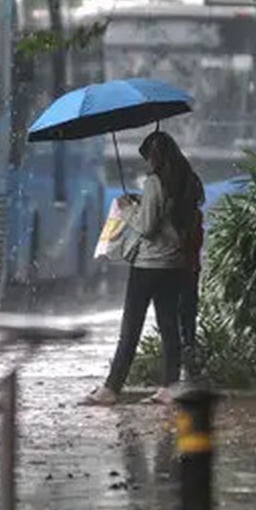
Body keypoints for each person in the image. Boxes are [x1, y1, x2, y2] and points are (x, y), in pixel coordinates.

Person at [82, 130, 202, 406]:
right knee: (169, 325)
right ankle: (169, 388)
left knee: (131, 327)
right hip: (174, 264)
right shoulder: (187, 181)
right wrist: (143, 204)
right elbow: (169, 217)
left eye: (147, 158)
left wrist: (128, 209)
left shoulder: (154, 183)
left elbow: (147, 227)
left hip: (148, 266)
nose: (147, 164)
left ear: (154, 157)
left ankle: (111, 389)